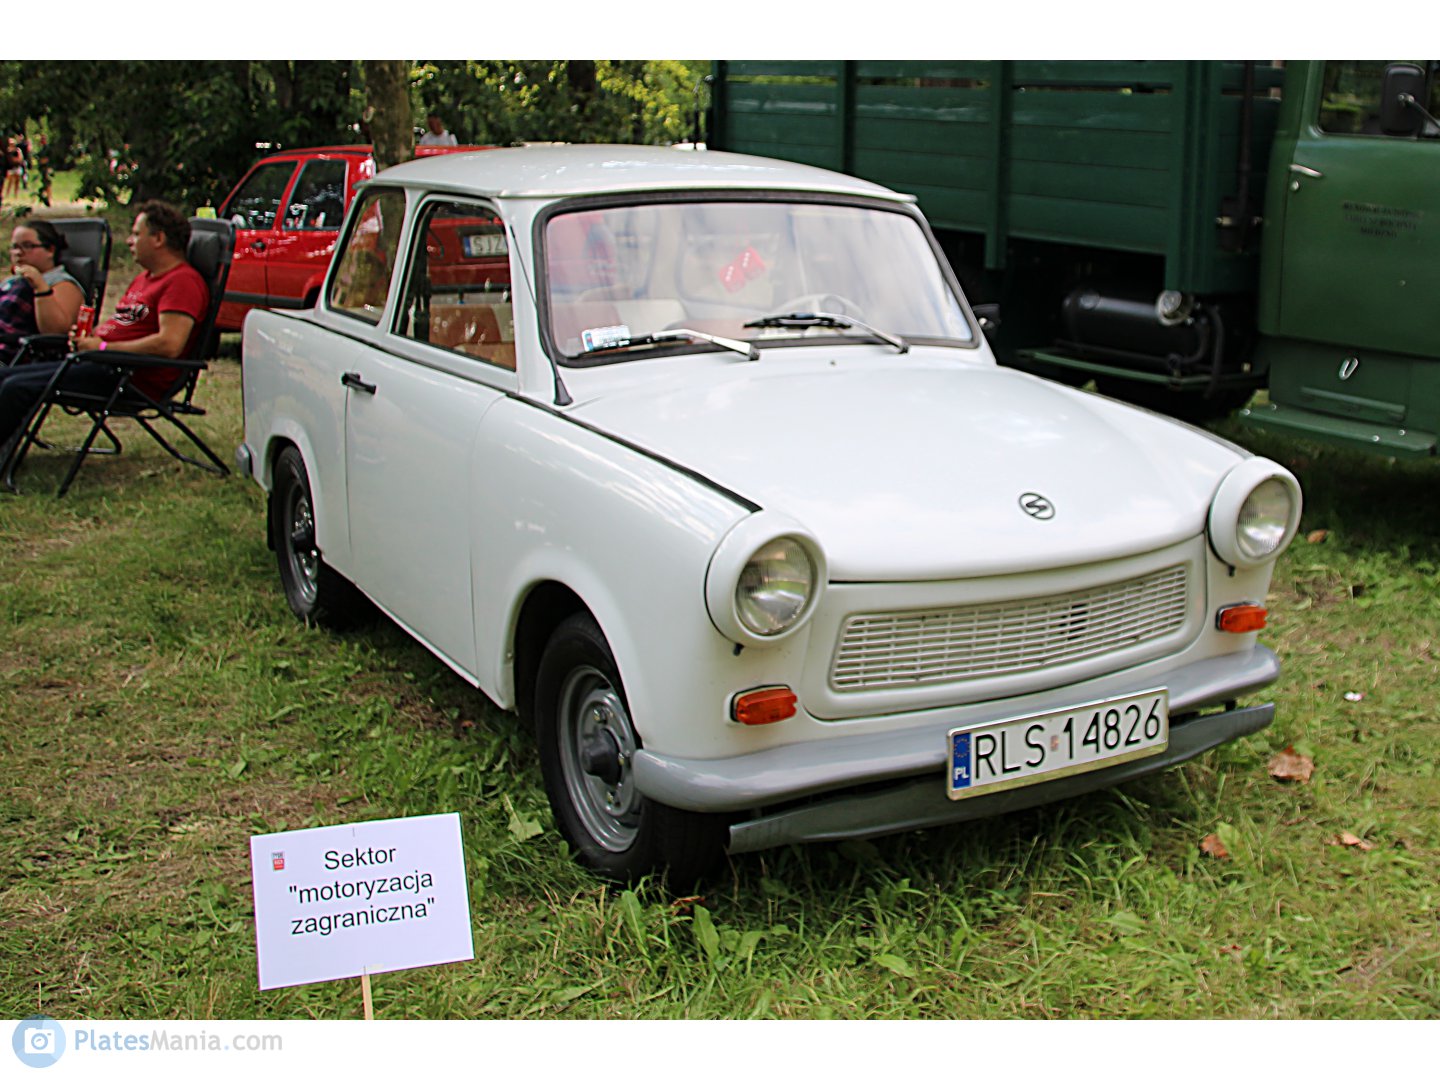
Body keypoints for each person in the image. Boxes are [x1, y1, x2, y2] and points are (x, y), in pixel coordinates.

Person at [0, 201, 208, 465]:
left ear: (158, 238)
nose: (130, 241)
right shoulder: (145, 278)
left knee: (15, 388)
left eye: (136, 234)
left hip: (126, 376)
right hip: (100, 364)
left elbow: (170, 345)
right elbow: (121, 325)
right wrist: (90, 337)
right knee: (3, 376)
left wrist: (102, 349)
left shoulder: (182, 282)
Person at [0, 220, 86, 365]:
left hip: (18, 357)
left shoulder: (62, 283)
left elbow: (55, 332)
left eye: (28, 246)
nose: (18, 253)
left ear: (50, 250)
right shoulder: (11, 282)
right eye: (14, 247)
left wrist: (40, 287)